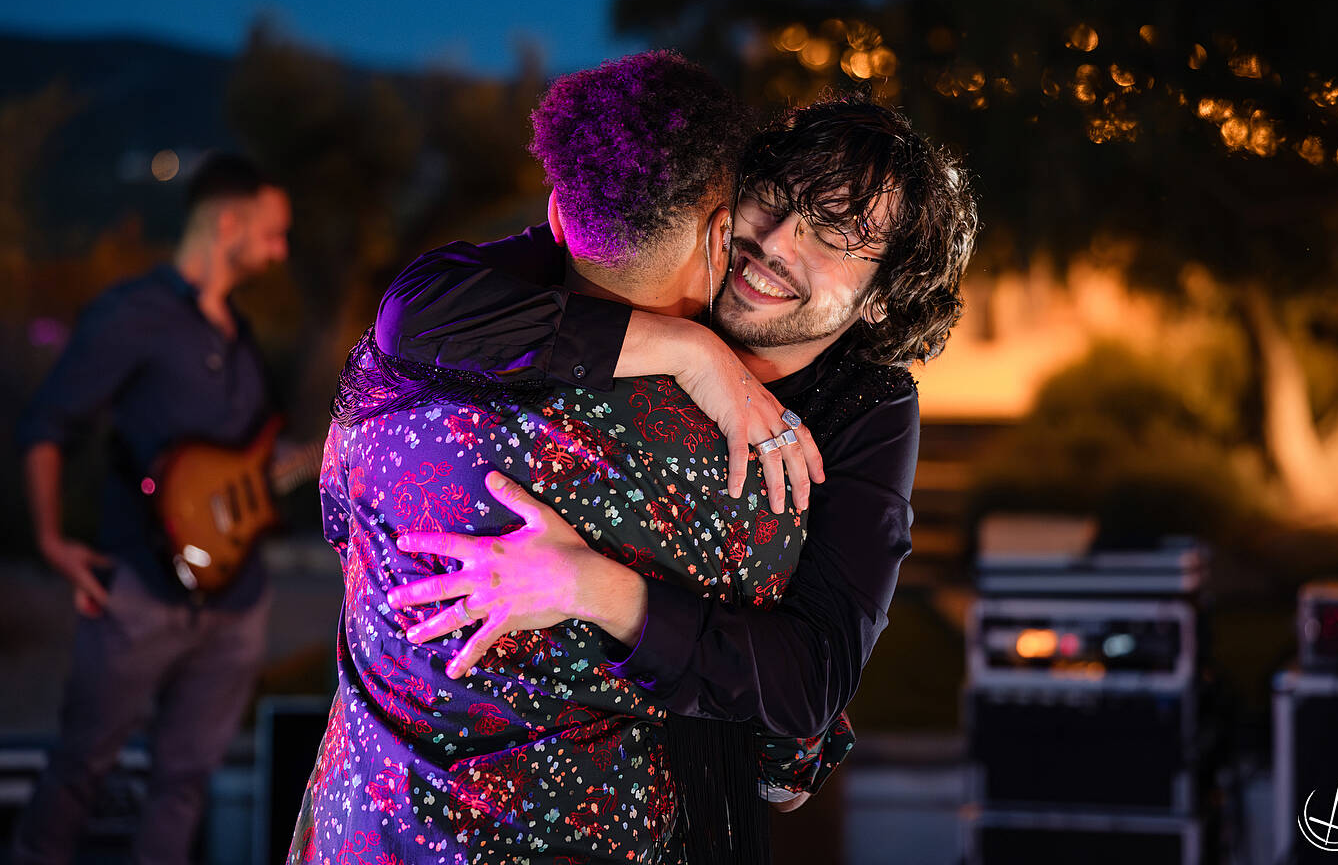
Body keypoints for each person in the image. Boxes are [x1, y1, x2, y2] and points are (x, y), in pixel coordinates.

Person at [289, 51, 849, 865]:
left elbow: (337, 518)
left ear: (557, 214)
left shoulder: (389, 382)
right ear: (720, 233)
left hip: (365, 837)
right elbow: (781, 743)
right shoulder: (740, 471)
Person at [378, 87, 978, 750]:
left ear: (883, 300)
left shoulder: (866, 406)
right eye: (775, 200)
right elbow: (414, 312)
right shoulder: (650, 264)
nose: (774, 244)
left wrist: (595, 588)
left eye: (834, 236)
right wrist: (686, 349)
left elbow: (811, 681)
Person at [12, 154, 292, 865]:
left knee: (185, 784)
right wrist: (50, 540)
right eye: (271, 232)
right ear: (226, 222)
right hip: (138, 586)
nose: (280, 249)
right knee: (80, 768)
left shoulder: (240, 332)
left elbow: (251, 458)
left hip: (238, 601)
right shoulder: (133, 314)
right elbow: (49, 424)